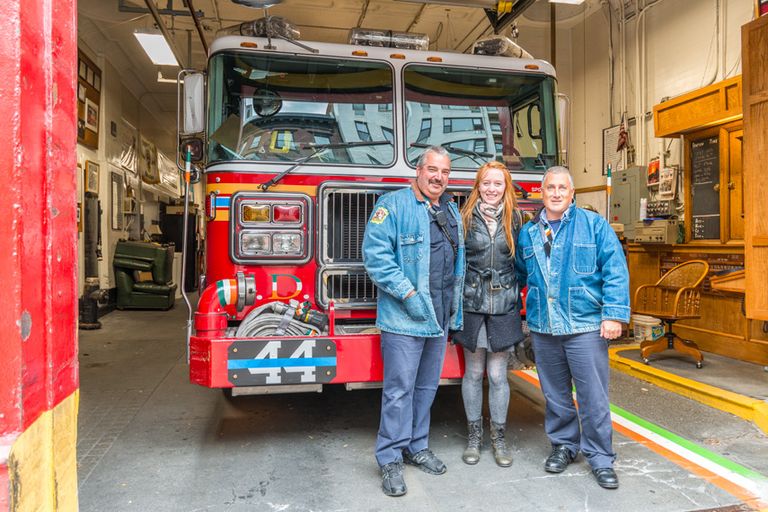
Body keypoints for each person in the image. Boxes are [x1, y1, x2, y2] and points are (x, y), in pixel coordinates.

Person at [515, 166, 629, 490]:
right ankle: (564, 445)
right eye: (550, 187)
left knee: (593, 397)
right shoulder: (529, 233)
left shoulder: (594, 226)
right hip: (544, 328)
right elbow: (522, 275)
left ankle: (600, 458)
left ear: (572, 192)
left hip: (585, 326)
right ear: (541, 191)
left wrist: (614, 315)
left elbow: (616, 271)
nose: (555, 193)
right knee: (556, 396)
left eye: (562, 188)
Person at [362, 146, 465, 497]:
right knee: (398, 391)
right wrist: (408, 295)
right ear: (419, 171)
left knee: (425, 389)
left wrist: (454, 309)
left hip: (439, 317)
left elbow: (457, 264)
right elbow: (376, 258)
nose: (438, 177)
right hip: (404, 318)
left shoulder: (451, 210)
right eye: (432, 169)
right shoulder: (392, 206)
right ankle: (389, 457)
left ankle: (416, 446)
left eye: (445, 172)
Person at [451, 161, 525, 468]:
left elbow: (522, 262)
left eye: (498, 183)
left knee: (497, 375)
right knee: (472, 372)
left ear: (506, 187)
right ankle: (474, 435)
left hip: (503, 305)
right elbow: (457, 263)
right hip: (472, 304)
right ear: (477, 186)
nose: (492, 189)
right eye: (486, 183)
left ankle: (498, 437)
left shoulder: (517, 219)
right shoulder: (463, 217)